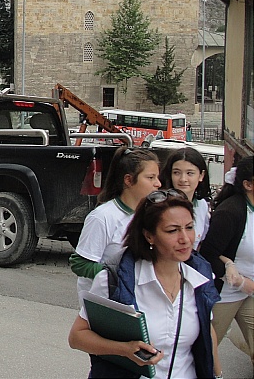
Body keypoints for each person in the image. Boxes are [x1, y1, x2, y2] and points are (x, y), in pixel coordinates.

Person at [68, 188, 221, 378]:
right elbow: (77, 337)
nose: (185, 239)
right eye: (172, 230)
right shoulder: (115, 279)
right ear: (149, 236)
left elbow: (208, 331)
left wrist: (218, 374)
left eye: (189, 227)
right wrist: (125, 349)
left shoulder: (200, 276)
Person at [70, 147, 161, 298]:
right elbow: (80, 264)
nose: (158, 183)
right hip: (106, 301)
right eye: (150, 178)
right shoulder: (103, 217)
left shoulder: (150, 215)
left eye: (157, 177)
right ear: (129, 180)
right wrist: (118, 276)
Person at [201, 156, 254, 368]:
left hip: (250, 294)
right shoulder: (231, 212)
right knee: (204, 351)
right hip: (225, 294)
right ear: (248, 185)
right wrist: (239, 281)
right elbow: (207, 255)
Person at [161, 147, 212, 248]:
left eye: (190, 173)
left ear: (201, 175)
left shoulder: (202, 205)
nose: (183, 179)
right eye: (176, 173)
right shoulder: (161, 205)